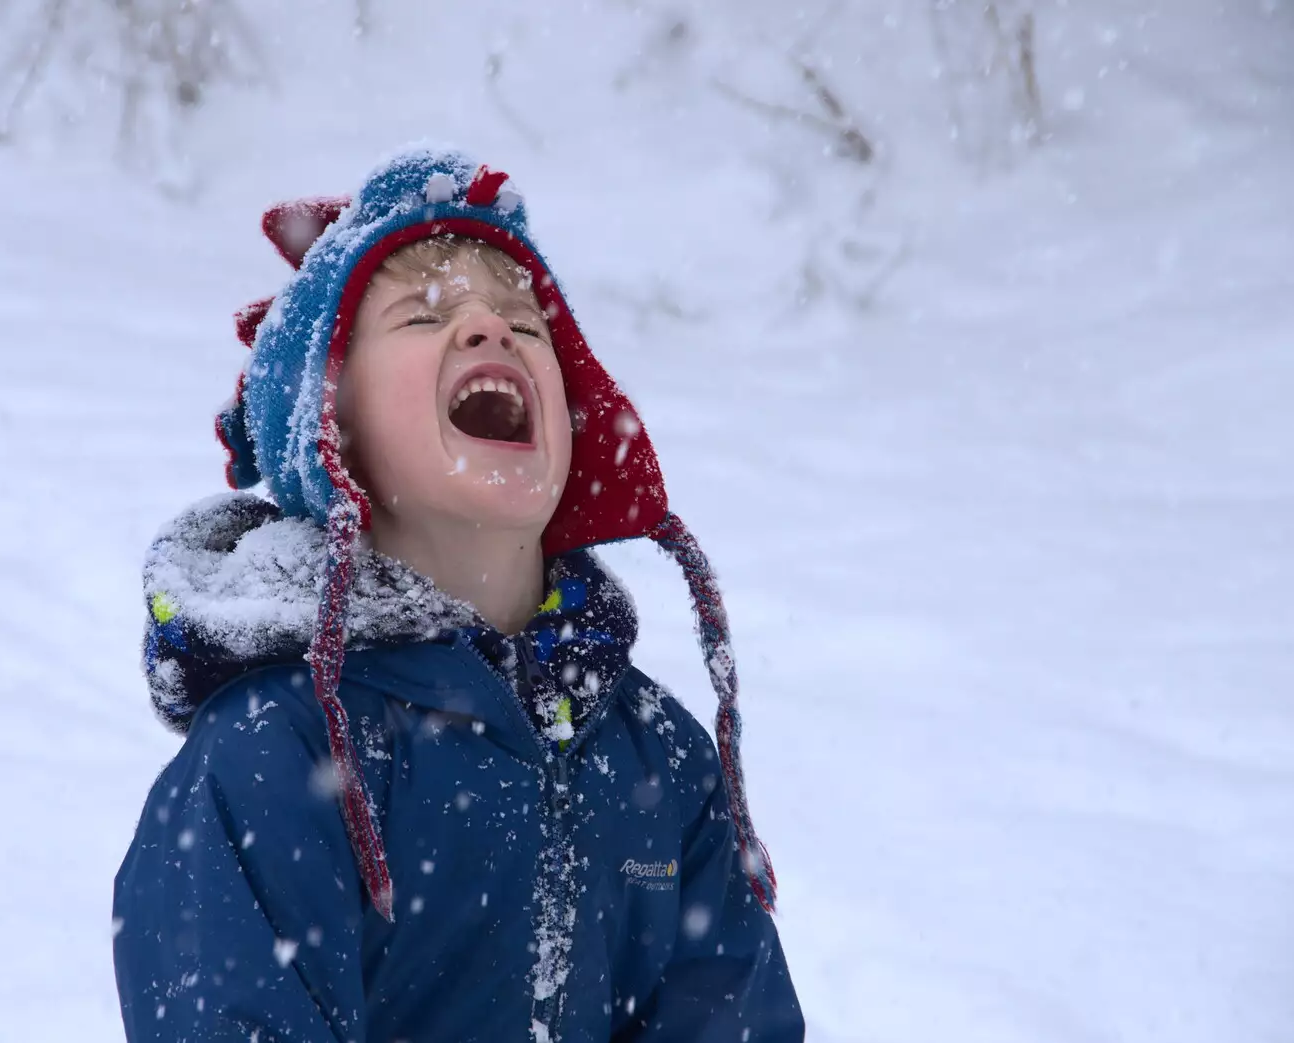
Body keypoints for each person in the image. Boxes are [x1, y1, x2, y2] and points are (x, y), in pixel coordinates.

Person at [113, 147, 804, 1043]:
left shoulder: (662, 761)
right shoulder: (274, 754)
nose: (492, 330)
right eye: (422, 315)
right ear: (335, 429)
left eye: (524, 318)